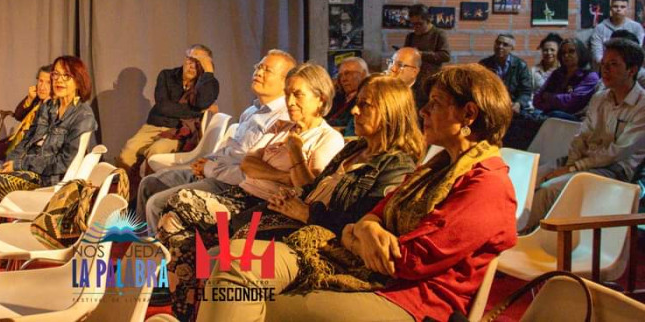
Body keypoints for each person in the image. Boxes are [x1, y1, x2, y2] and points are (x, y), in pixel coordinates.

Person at [196, 64, 517, 322]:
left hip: (408, 298)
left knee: (247, 299)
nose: (424, 111)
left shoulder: (488, 184)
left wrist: (354, 230)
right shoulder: (437, 168)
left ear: (468, 115)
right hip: (344, 252)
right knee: (234, 256)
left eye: (435, 103)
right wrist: (363, 229)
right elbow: (372, 216)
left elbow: (406, 261)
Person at [155, 63, 344, 320]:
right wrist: (284, 175)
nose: (289, 101)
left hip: (264, 205)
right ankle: (188, 306)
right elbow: (248, 164)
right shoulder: (282, 127)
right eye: (287, 93)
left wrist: (296, 151)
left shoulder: (328, 138)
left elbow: (308, 186)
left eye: (297, 94)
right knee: (171, 220)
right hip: (240, 194)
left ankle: (192, 302)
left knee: (181, 199)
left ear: (320, 98)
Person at [0, 56, 97, 275]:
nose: (59, 80)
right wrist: (7, 162)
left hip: (48, 178)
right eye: (56, 74)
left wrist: (20, 164)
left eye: (66, 76)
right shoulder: (48, 107)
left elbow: (63, 163)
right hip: (26, 170)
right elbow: (23, 142)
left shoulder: (83, 116)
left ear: (79, 81)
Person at [241, 74, 423, 241]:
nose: (354, 111)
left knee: (233, 250)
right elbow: (312, 186)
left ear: (389, 111)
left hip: (318, 236)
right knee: (224, 234)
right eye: (356, 103)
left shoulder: (396, 166)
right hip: (290, 216)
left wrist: (306, 212)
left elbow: (360, 225)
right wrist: (292, 197)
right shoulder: (353, 148)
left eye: (364, 104)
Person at [136, 50, 295, 233]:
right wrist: (209, 160)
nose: (258, 73)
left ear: (286, 82)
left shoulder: (281, 119)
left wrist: (209, 168)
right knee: (149, 184)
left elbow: (248, 168)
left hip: (232, 185)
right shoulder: (252, 110)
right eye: (258, 67)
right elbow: (230, 147)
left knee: (157, 203)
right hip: (216, 170)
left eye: (267, 70)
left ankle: (158, 257)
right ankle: (142, 244)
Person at [524, 38, 645, 233]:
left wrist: (572, 168)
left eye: (613, 65)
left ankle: (516, 235)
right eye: (604, 64)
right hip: (582, 161)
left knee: (550, 189)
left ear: (631, 70)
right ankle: (512, 228)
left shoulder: (641, 105)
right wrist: (570, 164)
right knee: (530, 177)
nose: (605, 70)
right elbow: (583, 135)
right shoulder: (600, 97)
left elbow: (615, 153)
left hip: (614, 170)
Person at [116, 44, 219, 171]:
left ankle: (148, 188)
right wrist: (196, 112)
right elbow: (163, 107)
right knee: (127, 152)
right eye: (190, 59)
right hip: (155, 125)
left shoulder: (208, 84)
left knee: (156, 152)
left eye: (198, 62)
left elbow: (202, 102)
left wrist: (208, 72)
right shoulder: (167, 76)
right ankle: (125, 188)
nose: (192, 65)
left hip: (180, 131)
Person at [0, 65, 52, 171]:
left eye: (48, 83)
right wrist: (29, 99)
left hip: (29, 145)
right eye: (40, 81)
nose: (42, 87)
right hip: (18, 138)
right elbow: (18, 115)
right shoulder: (36, 98)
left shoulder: (53, 105)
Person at [532, 38, 599, 120]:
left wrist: (549, 97)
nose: (566, 56)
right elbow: (537, 99)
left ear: (580, 52)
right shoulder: (557, 73)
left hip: (575, 119)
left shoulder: (590, 76)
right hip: (550, 114)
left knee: (554, 115)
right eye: (563, 53)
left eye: (571, 51)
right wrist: (555, 101)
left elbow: (572, 102)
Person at [403, 4, 450, 105]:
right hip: (413, 82)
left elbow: (445, 56)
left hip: (430, 82)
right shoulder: (411, 36)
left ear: (428, 20)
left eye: (419, 24)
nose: (416, 27)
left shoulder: (438, 34)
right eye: (413, 24)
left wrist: (420, 54)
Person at [479, 33, 531, 114]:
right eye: (498, 43)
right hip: (491, 106)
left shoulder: (520, 65)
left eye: (505, 45)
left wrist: (518, 104)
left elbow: (526, 91)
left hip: (512, 106)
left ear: (512, 48)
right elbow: (479, 88)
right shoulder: (484, 64)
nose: (500, 46)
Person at [589, 0, 645, 64]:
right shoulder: (599, 28)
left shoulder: (637, 27)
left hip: (629, 67)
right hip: (606, 66)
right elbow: (597, 55)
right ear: (611, 9)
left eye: (622, 7)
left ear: (627, 9)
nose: (619, 9)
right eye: (615, 6)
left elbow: (637, 52)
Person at [325, 57, 368, 134]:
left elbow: (348, 123)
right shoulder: (337, 97)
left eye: (348, 73)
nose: (343, 79)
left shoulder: (366, 98)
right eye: (340, 75)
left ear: (363, 74)